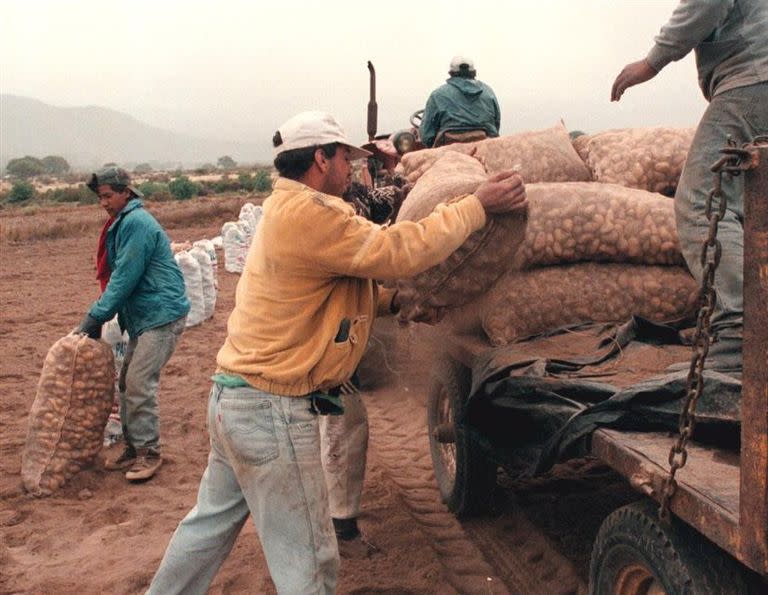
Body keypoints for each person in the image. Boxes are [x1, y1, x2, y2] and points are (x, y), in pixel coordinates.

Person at [147, 110, 527, 594]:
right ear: (321, 159)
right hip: (272, 409)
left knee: (207, 530)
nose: (351, 169)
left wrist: (395, 302)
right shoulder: (312, 214)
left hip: (235, 399)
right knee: (310, 559)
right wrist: (476, 206)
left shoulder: (289, 210)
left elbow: (339, 288)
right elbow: (397, 251)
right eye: (345, 158)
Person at [611, 0, 768, 373]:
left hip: (753, 80)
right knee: (753, 207)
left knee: (701, 203)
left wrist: (652, 61)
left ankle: (738, 332)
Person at [77, 166, 190, 481]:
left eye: (108, 196)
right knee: (126, 383)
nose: (103, 202)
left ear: (126, 192)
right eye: (100, 197)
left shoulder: (136, 224)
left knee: (139, 383)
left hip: (161, 314)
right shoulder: (121, 223)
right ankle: (133, 446)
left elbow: (124, 277)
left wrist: (94, 317)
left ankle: (149, 452)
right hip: (144, 315)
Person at [420, 55, 501, 148]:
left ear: (451, 73)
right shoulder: (488, 92)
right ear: (473, 73)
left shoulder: (437, 95)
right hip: (484, 150)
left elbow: (426, 135)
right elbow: (496, 124)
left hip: (446, 153)